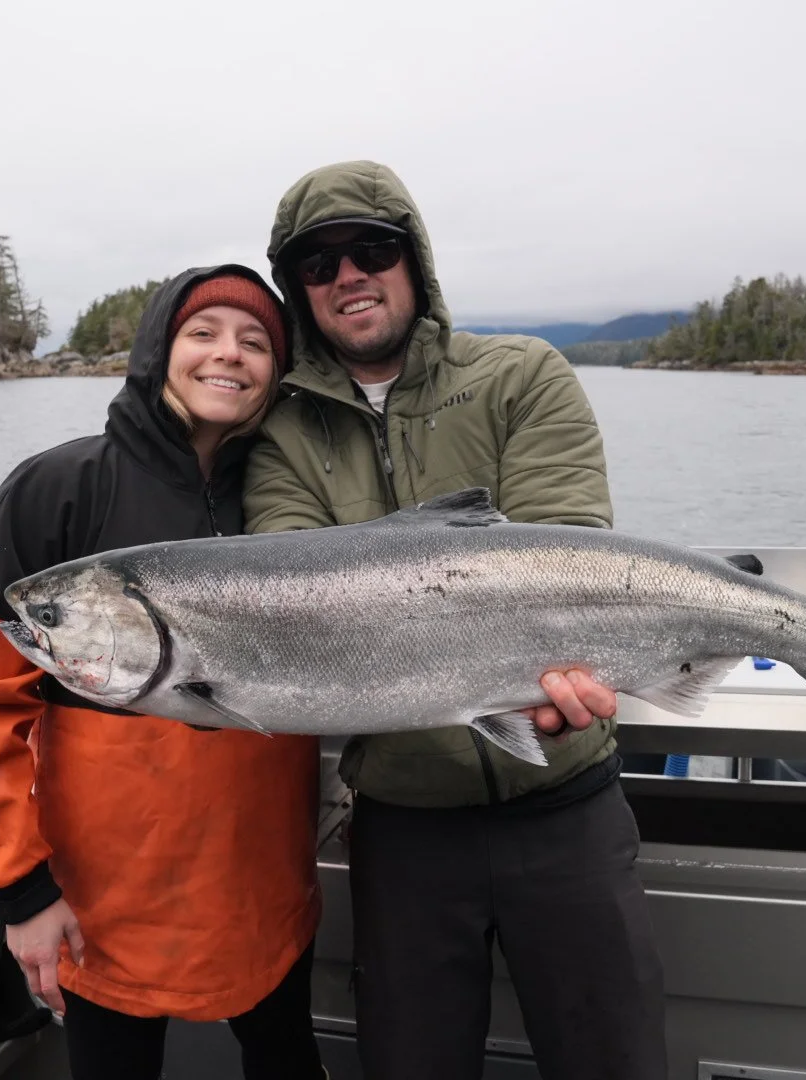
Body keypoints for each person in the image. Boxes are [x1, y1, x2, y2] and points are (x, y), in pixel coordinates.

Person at [244, 162, 667, 1080]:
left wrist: (554, 676)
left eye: (371, 249)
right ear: (297, 289)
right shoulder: (281, 434)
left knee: (615, 1060)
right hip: (404, 826)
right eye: (317, 264)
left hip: (567, 802)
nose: (348, 276)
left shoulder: (523, 375)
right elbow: (296, 598)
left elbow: (568, 558)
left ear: (414, 258)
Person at [0, 266, 329, 1080]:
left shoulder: (291, 496)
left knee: (286, 1060)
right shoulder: (60, 489)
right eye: (202, 333)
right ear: (156, 352)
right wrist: (21, 892)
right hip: (102, 899)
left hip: (265, 886)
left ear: (277, 373)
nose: (229, 354)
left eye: (255, 342)